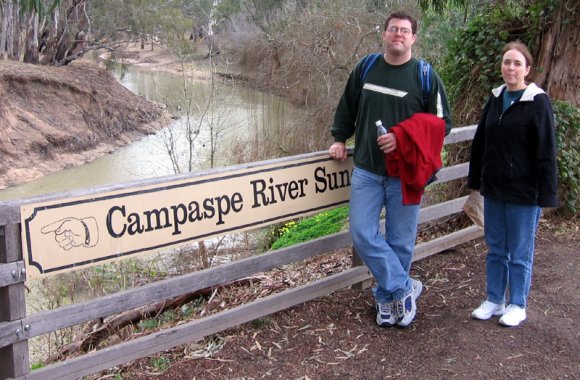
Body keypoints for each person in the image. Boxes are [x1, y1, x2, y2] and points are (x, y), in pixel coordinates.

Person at [328, 10, 452, 327]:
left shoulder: (424, 75)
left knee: (399, 243)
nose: (398, 34)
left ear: (413, 38)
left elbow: (442, 124)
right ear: (384, 34)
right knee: (362, 233)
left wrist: (402, 138)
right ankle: (404, 287)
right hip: (368, 170)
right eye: (393, 29)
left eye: (405, 30)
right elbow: (348, 106)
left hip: (405, 175)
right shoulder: (366, 68)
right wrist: (340, 138)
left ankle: (386, 301)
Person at [468, 41, 558, 327]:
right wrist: (475, 180)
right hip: (494, 188)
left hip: (524, 192)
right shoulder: (495, 99)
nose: (511, 68)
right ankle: (495, 300)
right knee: (496, 248)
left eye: (517, 63)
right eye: (507, 62)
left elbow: (546, 150)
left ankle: (518, 303)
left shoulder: (537, 101)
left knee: (519, 252)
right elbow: (481, 141)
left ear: (527, 69)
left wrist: (546, 193)